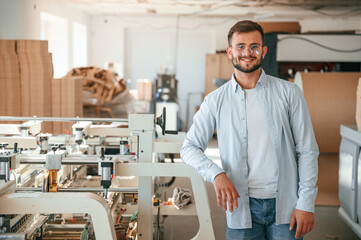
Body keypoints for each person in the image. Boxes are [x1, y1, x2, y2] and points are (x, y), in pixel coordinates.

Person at [180, 20, 318, 240]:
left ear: (263, 51)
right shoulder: (215, 100)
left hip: (286, 204)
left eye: (254, 46)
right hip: (240, 206)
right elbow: (189, 148)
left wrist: (306, 203)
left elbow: (307, 150)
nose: (247, 52)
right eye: (240, 46)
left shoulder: (289, 93)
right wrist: (216, 173)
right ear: (229, 51)